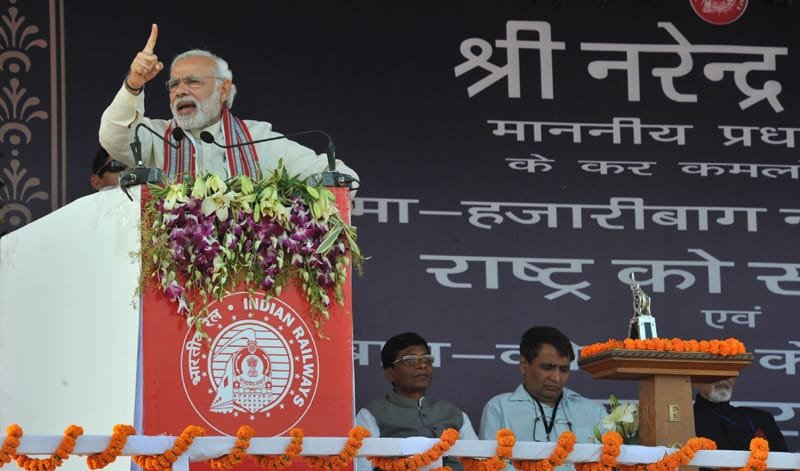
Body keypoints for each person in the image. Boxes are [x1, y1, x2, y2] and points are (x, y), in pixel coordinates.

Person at [99, 24, 357, 183]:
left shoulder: (257, 139)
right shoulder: (156, 137)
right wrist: (134, 84)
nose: (180, 91)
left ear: (223, 89)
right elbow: (114, 137)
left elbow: (338, 177)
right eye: (174, 85)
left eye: (192, 82)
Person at [355, 332, 478, 471]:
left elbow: (478, 461)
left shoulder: (455, 414)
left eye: (427, 359)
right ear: (390, 373)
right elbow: (362, 467)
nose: (422, 365)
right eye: (411, 360)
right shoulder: (371, 414)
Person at [480, 326, 606, 448]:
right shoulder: (499, 409)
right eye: (547, 368)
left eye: (564, 369)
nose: (556, 378)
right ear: (524, 365)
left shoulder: (595, 412)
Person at [694, 378, 787, 452]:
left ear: (734, 379)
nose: (723, 378)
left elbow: (784, 465)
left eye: (729, 372)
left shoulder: (761, 419)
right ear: (695, 382)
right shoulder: (684, 420)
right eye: (714, 372)